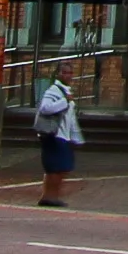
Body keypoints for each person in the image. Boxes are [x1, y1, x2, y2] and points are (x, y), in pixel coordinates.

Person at [33, 74, 82, 206]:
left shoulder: (65, 91)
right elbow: (45, 108)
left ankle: (49, 196)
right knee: (56, 168)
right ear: (59, 74)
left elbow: (70, 119)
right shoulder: (53, 91)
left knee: (60, 168)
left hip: (64, 136)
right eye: (65, 72)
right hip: (55, 135)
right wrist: (65, 101)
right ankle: (50, 196)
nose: (69, 76)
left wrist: (76, 137)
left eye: (71, 73)